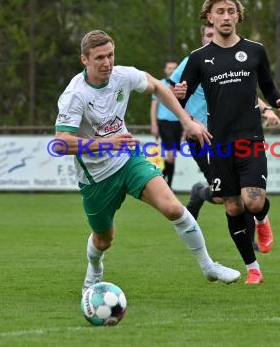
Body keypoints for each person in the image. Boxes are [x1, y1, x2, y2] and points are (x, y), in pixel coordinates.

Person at [54, 30, 241, 294]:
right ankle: (95, 269)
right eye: (99, 58)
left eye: (110, 55)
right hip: (96, 177)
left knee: (173, 208)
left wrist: (187, 122)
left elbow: (158, 87)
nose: (107, 62)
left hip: (128, 160)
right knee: (104, 239)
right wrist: (107, 143)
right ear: (84, 59)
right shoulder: (75, 94)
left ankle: (208, 266)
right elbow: (61, 143)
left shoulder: (122, 75)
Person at [174, 0, 280, 284]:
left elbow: (267, 85)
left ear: (238, 16)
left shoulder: (255, 50)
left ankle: (263, 219)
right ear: (209, 18)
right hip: (219, 142)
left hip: (250, 138)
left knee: (252, 202)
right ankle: (253, 268)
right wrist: (182, 104)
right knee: (232, 206)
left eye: (230, 11)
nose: (226, 16)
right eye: (220, 12)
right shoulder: (199, 58)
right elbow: (181, 95)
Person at [169, 24, 280, 253]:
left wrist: (266, 109)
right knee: (224, 197)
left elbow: (246, 92)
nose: (213, 38)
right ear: (203, 38)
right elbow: (172, 95)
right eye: (208, 35)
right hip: (202, 138)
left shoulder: (234, 58)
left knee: (245, 192)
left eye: (215, 34)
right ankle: (201, 193)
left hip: (233, 135)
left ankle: (249, 241)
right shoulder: (194, 61)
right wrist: (189, 121)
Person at [150, 61, 180, 188]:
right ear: (165, 70)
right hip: (164, 122)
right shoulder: (160, 84)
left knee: (172, 157)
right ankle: (167, 185)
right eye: (169, 68)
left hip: (178, 123)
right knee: (171, 155)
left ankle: (161, 182)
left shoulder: (180, 85)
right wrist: (154, 124)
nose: (172, 70)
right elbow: (154, 105)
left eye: (174, 68)